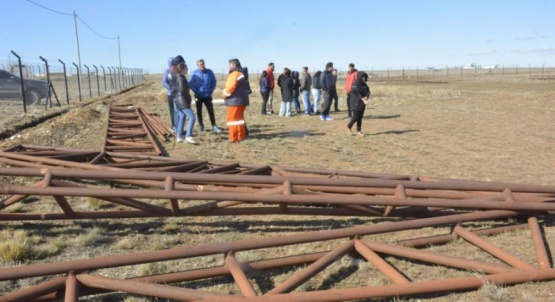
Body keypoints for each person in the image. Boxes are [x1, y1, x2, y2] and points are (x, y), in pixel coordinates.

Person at [189, 59, 222, 133]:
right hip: (198, 96)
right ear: (197, 65)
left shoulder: (209, 72)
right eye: (200, 64)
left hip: (208, 95)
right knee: (199, 111)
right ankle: (201, 126)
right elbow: (190, 83)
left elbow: (214, 81)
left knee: (211, 111)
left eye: (203, 64)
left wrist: (211, 90)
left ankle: (214, 126)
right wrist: (196, 90)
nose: (202, 65)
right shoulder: (194, 73)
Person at [222, 58, 249, 143]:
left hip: (235, 101)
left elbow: (230, 87)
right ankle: (241, 136)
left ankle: (233, 138)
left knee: (232, 120)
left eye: (229, 65)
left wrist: (224, 94)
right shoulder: (242, 73)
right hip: (242, 101)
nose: (229, 67)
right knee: (239, 119)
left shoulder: (234, 74)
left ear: (233, 65)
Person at [173, 61, 197, 144]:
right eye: (186, 68)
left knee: (182, 118)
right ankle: (188, 136)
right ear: (182, 69)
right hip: (182, 101)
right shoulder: (181, 77)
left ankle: (179, 137)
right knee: (192, 117)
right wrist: (188, 98)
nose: (187, 70)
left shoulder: (180, 77)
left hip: (179, 101)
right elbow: (182, 90)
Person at [347, 71, 370, 137]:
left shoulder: (365, 85)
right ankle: (349, 127)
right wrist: (363, 99)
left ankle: (359, 131)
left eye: (364, 77)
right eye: (362, 77)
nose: (363, 78)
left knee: (360, 118)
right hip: (355, 102)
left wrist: (366, 97)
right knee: (356, 117)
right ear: (359, 77)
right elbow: (356, 92)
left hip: (362, 103)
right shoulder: (355, 84)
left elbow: (368, 92)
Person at [162, 57, 176, 132]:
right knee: (172, 110)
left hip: (178, 94)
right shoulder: (167, 71)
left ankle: (178, 125)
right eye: (172, 62)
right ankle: (173, 125)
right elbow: (164, 82)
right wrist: (170, 88)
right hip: (171, 94)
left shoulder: (177, 70)